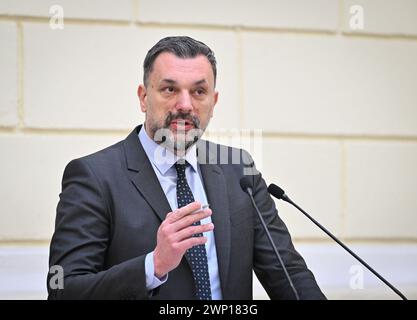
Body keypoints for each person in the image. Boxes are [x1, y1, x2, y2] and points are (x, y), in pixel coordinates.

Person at [47, 36, 326, 300]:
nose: (185, 105)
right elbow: (64, 289)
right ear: (144, 97)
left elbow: (287, 272)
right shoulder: (94, 176)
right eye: (170, 89)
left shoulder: (239, 169)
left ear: (213, 102)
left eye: (199, 91)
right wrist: (153, 265)